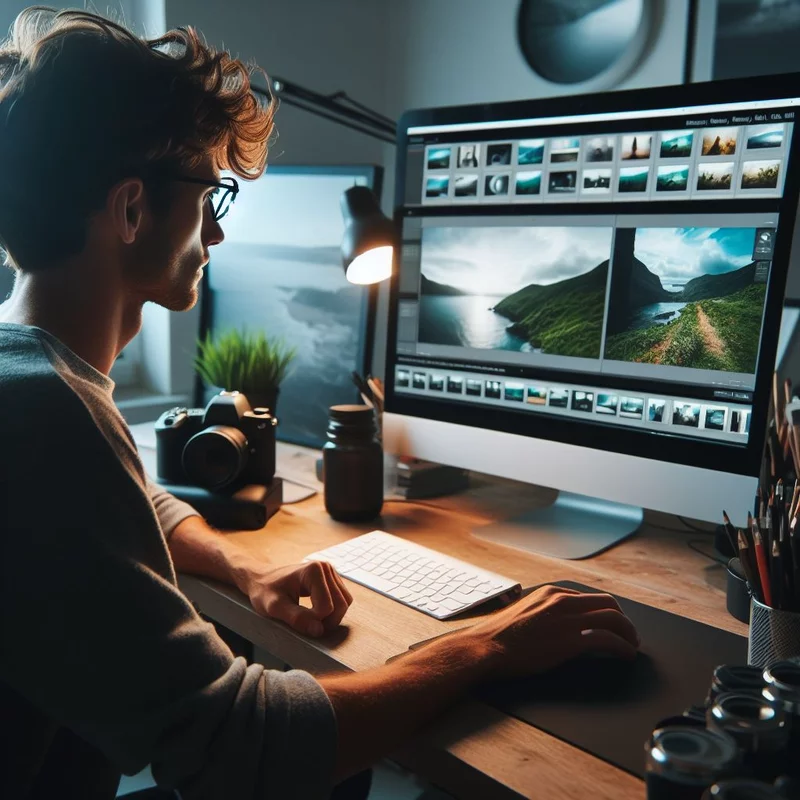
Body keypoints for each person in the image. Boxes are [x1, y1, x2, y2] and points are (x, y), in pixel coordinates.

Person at [0, 7, 640, 799]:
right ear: (132, 210)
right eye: (211, 196)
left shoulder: (28, 382)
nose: (217, 237)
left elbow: (123, 499)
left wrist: (240, 567)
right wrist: (489, 645)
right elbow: (241, 747)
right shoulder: (46, 417)